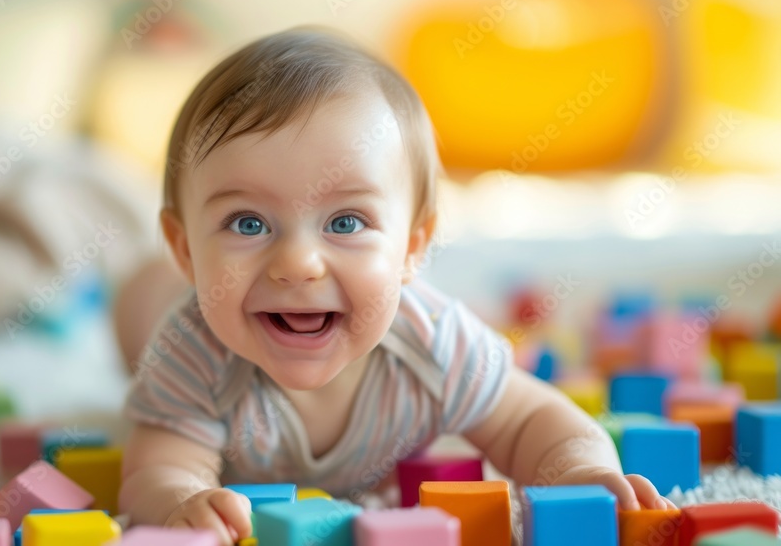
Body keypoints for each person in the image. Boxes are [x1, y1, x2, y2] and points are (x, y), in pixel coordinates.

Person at [115, 26, 670, 545]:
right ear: (186, 246)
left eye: (346, 222)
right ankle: (148, 275)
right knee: (143, 308)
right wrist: (181, 502)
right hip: (167, 302)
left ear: (411, 247)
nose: (299, 263)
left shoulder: (435, 341)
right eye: (248, 223)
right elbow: (156, 469)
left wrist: (577, 469)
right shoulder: (189, 352)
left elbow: (529, 419)